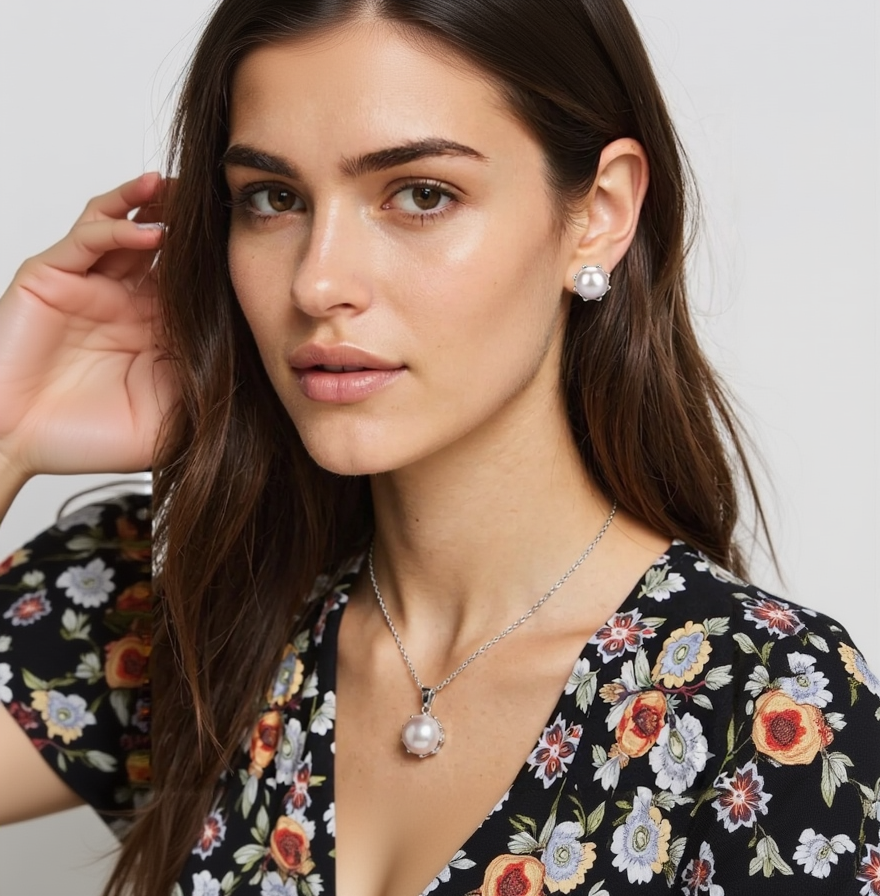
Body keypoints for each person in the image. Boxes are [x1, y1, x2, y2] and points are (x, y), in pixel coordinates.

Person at [0, 1, 878, 895]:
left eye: (422, 194)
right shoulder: (186, 593)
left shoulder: (761, 708)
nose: (318, 281)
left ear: (600, 211)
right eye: (274, 198)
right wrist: (5, 432)